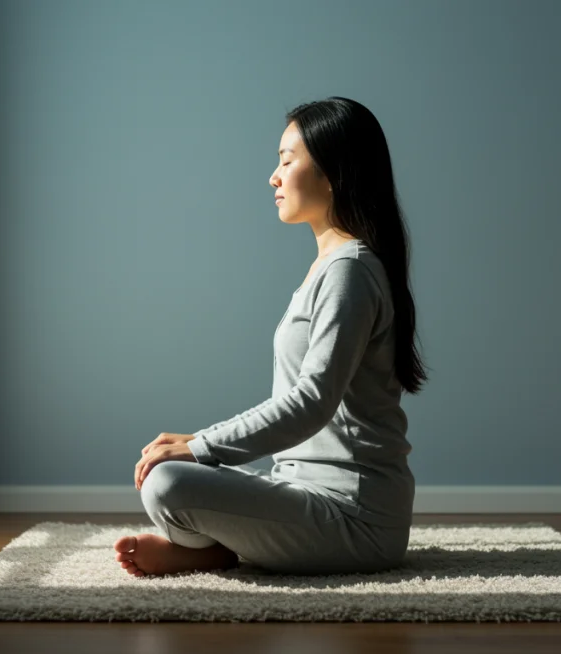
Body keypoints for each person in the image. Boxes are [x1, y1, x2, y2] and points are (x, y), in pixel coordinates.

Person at [113, 97, 429, 577]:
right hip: (299, 491)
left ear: (333, 170)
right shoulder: (332, 268)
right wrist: (201, 446)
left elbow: (311, 403)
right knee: (164, 473)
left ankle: (217, 550)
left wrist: (201, 444)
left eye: (286, 160)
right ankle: (220, 551)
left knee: (169, 482)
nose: (273, 177)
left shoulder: (351, 272)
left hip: (355, 519)